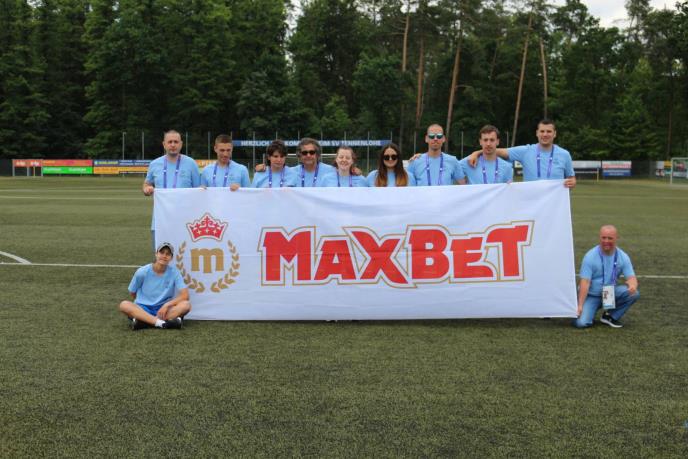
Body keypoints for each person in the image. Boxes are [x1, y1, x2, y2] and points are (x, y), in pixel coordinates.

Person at [466, 119, 576, 188]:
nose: (545, 134)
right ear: (537, 133)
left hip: (555, 205)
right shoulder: (526, 151)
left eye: (549, 131)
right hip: (532, 205)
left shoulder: (564, 154)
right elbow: (498, 150)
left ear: (554, 134)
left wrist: (572, 182)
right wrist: (476, 153)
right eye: (542, 131)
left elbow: (571, 178)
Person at [143, 130, 201, 249]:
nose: (173, 145)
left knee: (185, 256)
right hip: (160, 221)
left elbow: (199, 190)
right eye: (170, 142)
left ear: (181, 144)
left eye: (176, 142)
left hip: (185, 222)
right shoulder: (154, 164)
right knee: (161, 257)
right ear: (164, 144)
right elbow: (146, 184)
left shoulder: (191, 164)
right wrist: (147, 189)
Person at [574, 225, 639, 328]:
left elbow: (631, 278)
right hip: (591, 295)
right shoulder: (590, 256)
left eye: (610, 238)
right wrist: (580, 305)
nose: (606, 241)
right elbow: (585, 282)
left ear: (616, 238)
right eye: (603, 238)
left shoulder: (623, 256)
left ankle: (609, 316)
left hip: (609, 293)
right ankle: (586, 310)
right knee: (581, 323)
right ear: (599, 237)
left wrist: (633, 286)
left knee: (634, 294)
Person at [119, 242, 191, 330]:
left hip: (163, 310)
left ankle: (145, 322)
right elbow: (132, 292)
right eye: (162, 252)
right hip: (143, 308)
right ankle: (162, 323)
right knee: (124, 305)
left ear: (171, 258)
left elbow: (185, 295)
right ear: (156, 254)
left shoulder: (174, 272)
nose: (164, 256)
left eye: (168, 254)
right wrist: (143, 301)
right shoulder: (142, 272)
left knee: (186, 305)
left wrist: (166, 305)